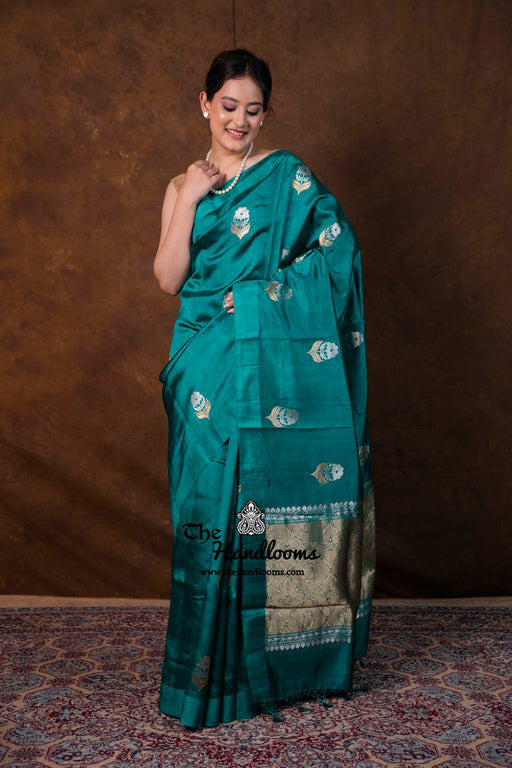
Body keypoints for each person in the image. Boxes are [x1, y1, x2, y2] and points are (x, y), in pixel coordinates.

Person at [153, 48, 375, 729]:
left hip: (263, 355)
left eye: (253, 111)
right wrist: (192, 196)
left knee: (259, 498)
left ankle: (271, 671)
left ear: (265, 116)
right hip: (202, 363)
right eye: (228, 107)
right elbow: (168, 278)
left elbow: (337, 253)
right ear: (204, 104)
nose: (239, 121)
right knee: (206, 502)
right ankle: (206, 676)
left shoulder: (286, 177)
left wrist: (254, 301)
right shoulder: (179, 185)